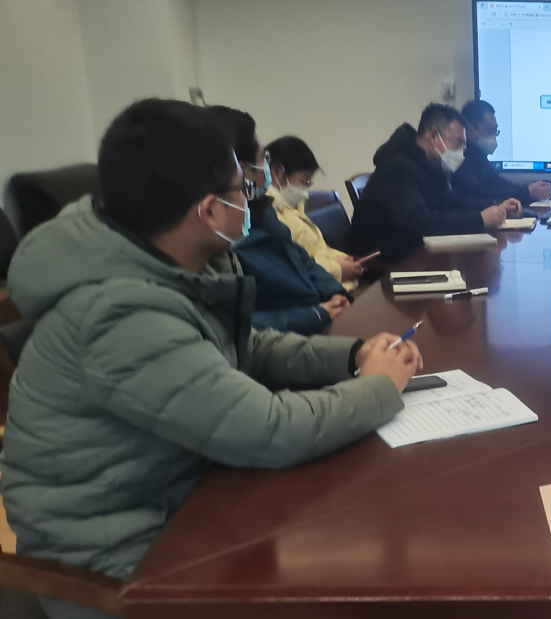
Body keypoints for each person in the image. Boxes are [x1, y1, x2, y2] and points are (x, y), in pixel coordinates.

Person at [0, 100, 421, 616]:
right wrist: (377, 388)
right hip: (121, 565)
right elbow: (269, 430)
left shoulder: (174, 261)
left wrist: (353, 355)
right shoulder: (118, 314)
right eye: (243, 189)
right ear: (210, 211)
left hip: (183, 501)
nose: (253, 199)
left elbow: (247, 347)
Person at [208, 106, 352, 335]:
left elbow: (302, 259)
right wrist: (316, 314)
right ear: (241, 171)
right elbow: (237, 324)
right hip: (293, 336)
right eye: (263, 159)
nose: (267, 167)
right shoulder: (223, 237)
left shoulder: (261, 209)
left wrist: (335, 293)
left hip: (318, 319)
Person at [349, 103, 523, 263]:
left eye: (464, 146)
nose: (461, 153)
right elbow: (419, 222)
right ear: (434, 136)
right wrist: (480, 219)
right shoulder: (396, 167)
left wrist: (496, 207)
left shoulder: (430, 164)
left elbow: (451, 201)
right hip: (382, 265)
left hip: (415, 254)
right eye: (457, 143)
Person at [265, 135, 364, 291]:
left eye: (308, 183)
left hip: (334, 286)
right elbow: (298, 269)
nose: (305, 191)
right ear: (277, 172)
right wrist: (339, 269)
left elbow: (318, 250)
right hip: (323, 292)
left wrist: (345, 260)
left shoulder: (292, 209)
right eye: (303, 181)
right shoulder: (271, 216)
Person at [454, 99, 551, 206]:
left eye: (495, 131)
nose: (493, 135)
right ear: (469, 129)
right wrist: (527, 192)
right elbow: (482, 193)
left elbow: (498, 183)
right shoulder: (460, 158)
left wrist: (528, 189)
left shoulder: (478, 155)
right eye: (489, 129)